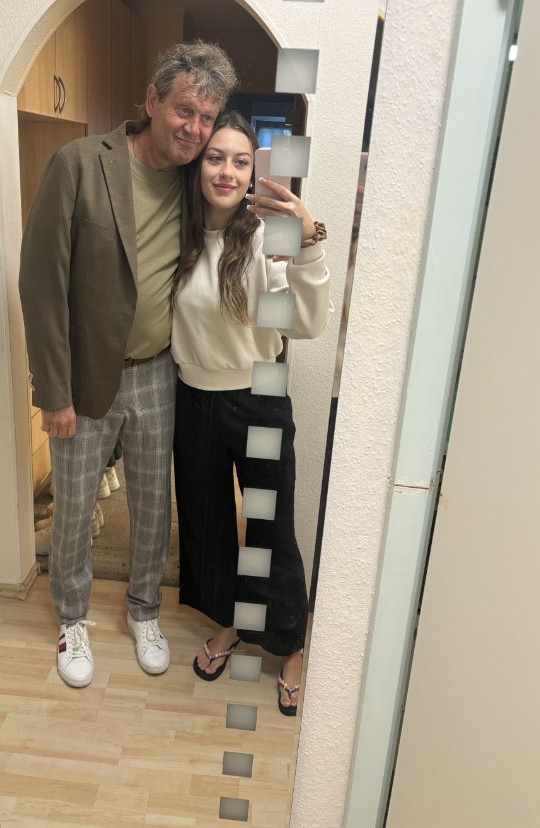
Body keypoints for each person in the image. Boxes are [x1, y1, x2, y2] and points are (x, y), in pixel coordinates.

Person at [19, 42, 237, 688]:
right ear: (151, 99)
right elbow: (41, 284)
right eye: (184, 110)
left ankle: (144, 610)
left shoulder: (194, 180)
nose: (194, 129)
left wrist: (303, 231)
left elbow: (234, 213)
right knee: (74, 504)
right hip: (84, 375)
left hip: (158, 371)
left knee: (151, 504)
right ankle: (72, 617)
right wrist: (52, 391)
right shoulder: (80, 164)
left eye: (207, 117)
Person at [170, 111, 331, 715]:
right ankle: (234, 622)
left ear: (251, 172)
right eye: (216, 157)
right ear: (198, 165)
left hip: (259, 395)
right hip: (193, 397)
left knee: (268, 528)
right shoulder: (178, 233)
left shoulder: (265, 235)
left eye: (241, 161)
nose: (228, 171)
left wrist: (309, 240)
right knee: (209, 525)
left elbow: (307, 323)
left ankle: (290, 643)